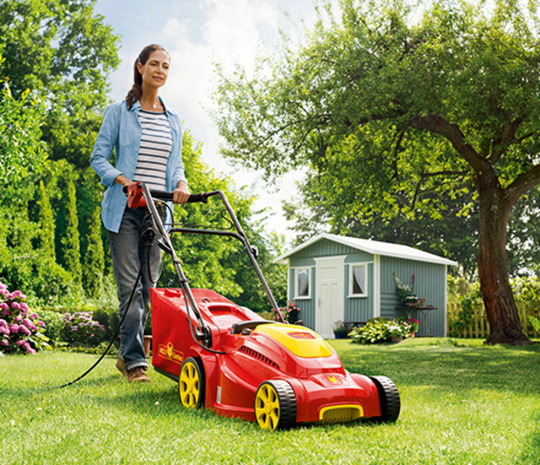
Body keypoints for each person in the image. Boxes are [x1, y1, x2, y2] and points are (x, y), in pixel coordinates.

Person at [91, 44, 190, 383]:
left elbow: (175, 163)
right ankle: (135, 363)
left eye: (166, 66)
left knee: (151, 288)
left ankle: (128, 354)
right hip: (125, 210)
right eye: (154, 64)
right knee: (130, 289)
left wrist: (181, 183)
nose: (160, 70)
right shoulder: (118, 113)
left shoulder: (173, 119)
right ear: (140, 67)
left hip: (158, 209)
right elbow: (99, 159)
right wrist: (122, 179)